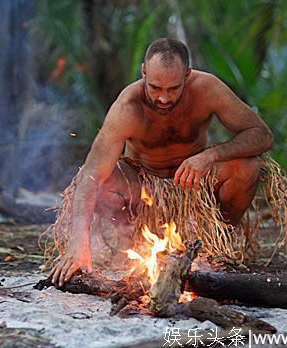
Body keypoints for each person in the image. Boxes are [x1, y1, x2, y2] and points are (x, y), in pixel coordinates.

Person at [48, 38, 273, 287]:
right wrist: (79, 244)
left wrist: (211, 155)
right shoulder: (127, 106)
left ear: (187, 75)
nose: (163, 98)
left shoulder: (208, 89)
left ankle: (215, 246)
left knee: (247, 167)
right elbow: (91, 173)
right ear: (144, 72)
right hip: (142, 191)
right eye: (155, 87)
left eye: (173, 89)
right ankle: (129, 246)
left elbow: (261, 135)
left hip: (194, 187)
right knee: (101, 180)